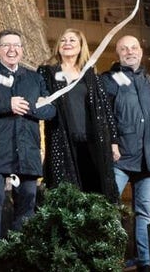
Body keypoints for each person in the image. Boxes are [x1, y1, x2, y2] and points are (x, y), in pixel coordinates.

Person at [0, 29, 54, 239]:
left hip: (27, 150)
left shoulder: (35, 79)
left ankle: (20, 250)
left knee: (28, 196)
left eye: (16, 45)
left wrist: (29, 107)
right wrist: (7, 104)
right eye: (6, 45)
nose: (11, 49)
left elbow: (50, 110)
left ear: (22, 51)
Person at [100, 35, 150, 272]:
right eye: (124, 49)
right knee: (110, 208)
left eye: (134, 47)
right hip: (121, 155)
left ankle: (146, 261)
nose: (129, 52)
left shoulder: (148, 81)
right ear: (117, 53)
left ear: (141, 51)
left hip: (148, 159)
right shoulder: (109, 79)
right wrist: (112, 143)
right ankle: (110, 259)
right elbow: (104, 116)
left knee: (145, 211)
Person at [37, 29, 119, 201]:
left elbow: (106, 111)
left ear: (81, 47)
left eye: (72, 40)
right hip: (61, 138)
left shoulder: (92, 76)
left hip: (91, 140)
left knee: (93, 190)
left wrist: (113, 142)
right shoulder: (47, 72)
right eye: (63, 40)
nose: (67, 43)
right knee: (64, 190)